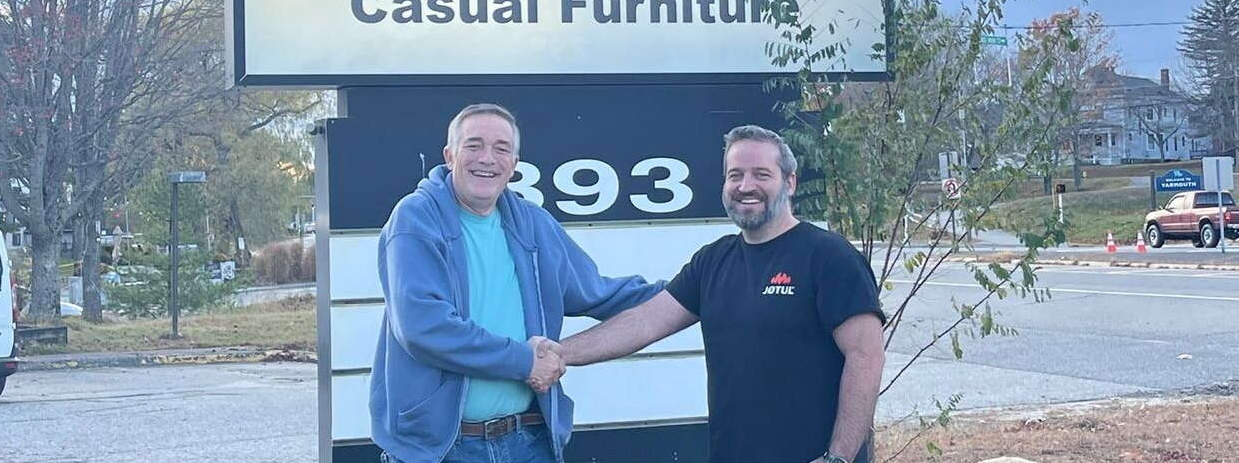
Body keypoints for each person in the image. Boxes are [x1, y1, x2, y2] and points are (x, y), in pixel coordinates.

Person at [558, 125, 886, 463]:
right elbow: (643, 322)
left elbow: (866, 357)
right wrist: (559, 353)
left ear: (790, 182)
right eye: (735, 175)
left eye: (761, 174)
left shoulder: (830, 257)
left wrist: (838, 458)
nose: (746, 187)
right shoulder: (712, 261)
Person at [369, 103, 661, 463]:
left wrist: (688, 289)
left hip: (528, 442)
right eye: (473, 145)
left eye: (501, 148)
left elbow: (597, 292)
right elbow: (424, 327)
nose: (487, 158)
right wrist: (524, 361)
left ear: (514, 163)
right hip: (444, 449)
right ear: (450, 155)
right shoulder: (415, 220)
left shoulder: (532, 224)